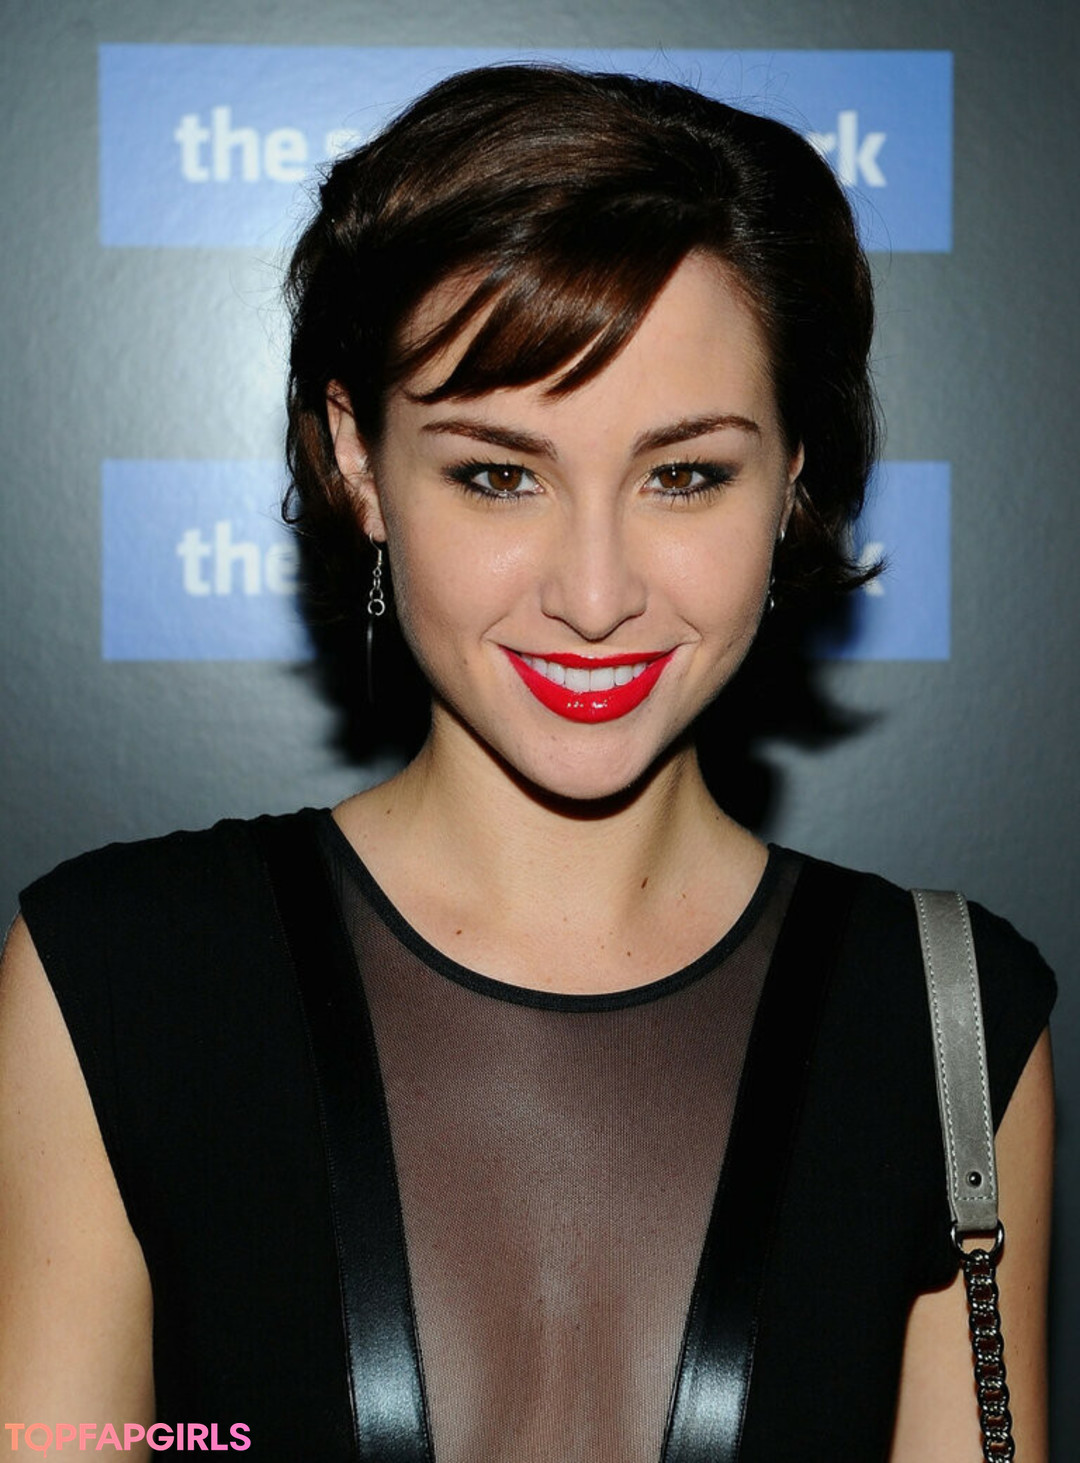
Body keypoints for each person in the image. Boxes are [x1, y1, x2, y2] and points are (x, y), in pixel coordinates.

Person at [0, 64, 1055, 1463]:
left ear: (794, 471)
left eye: (685, 475)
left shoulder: (945, 1021)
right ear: (359, 460)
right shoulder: (120, 980)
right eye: (500, 474)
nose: (595, 594)